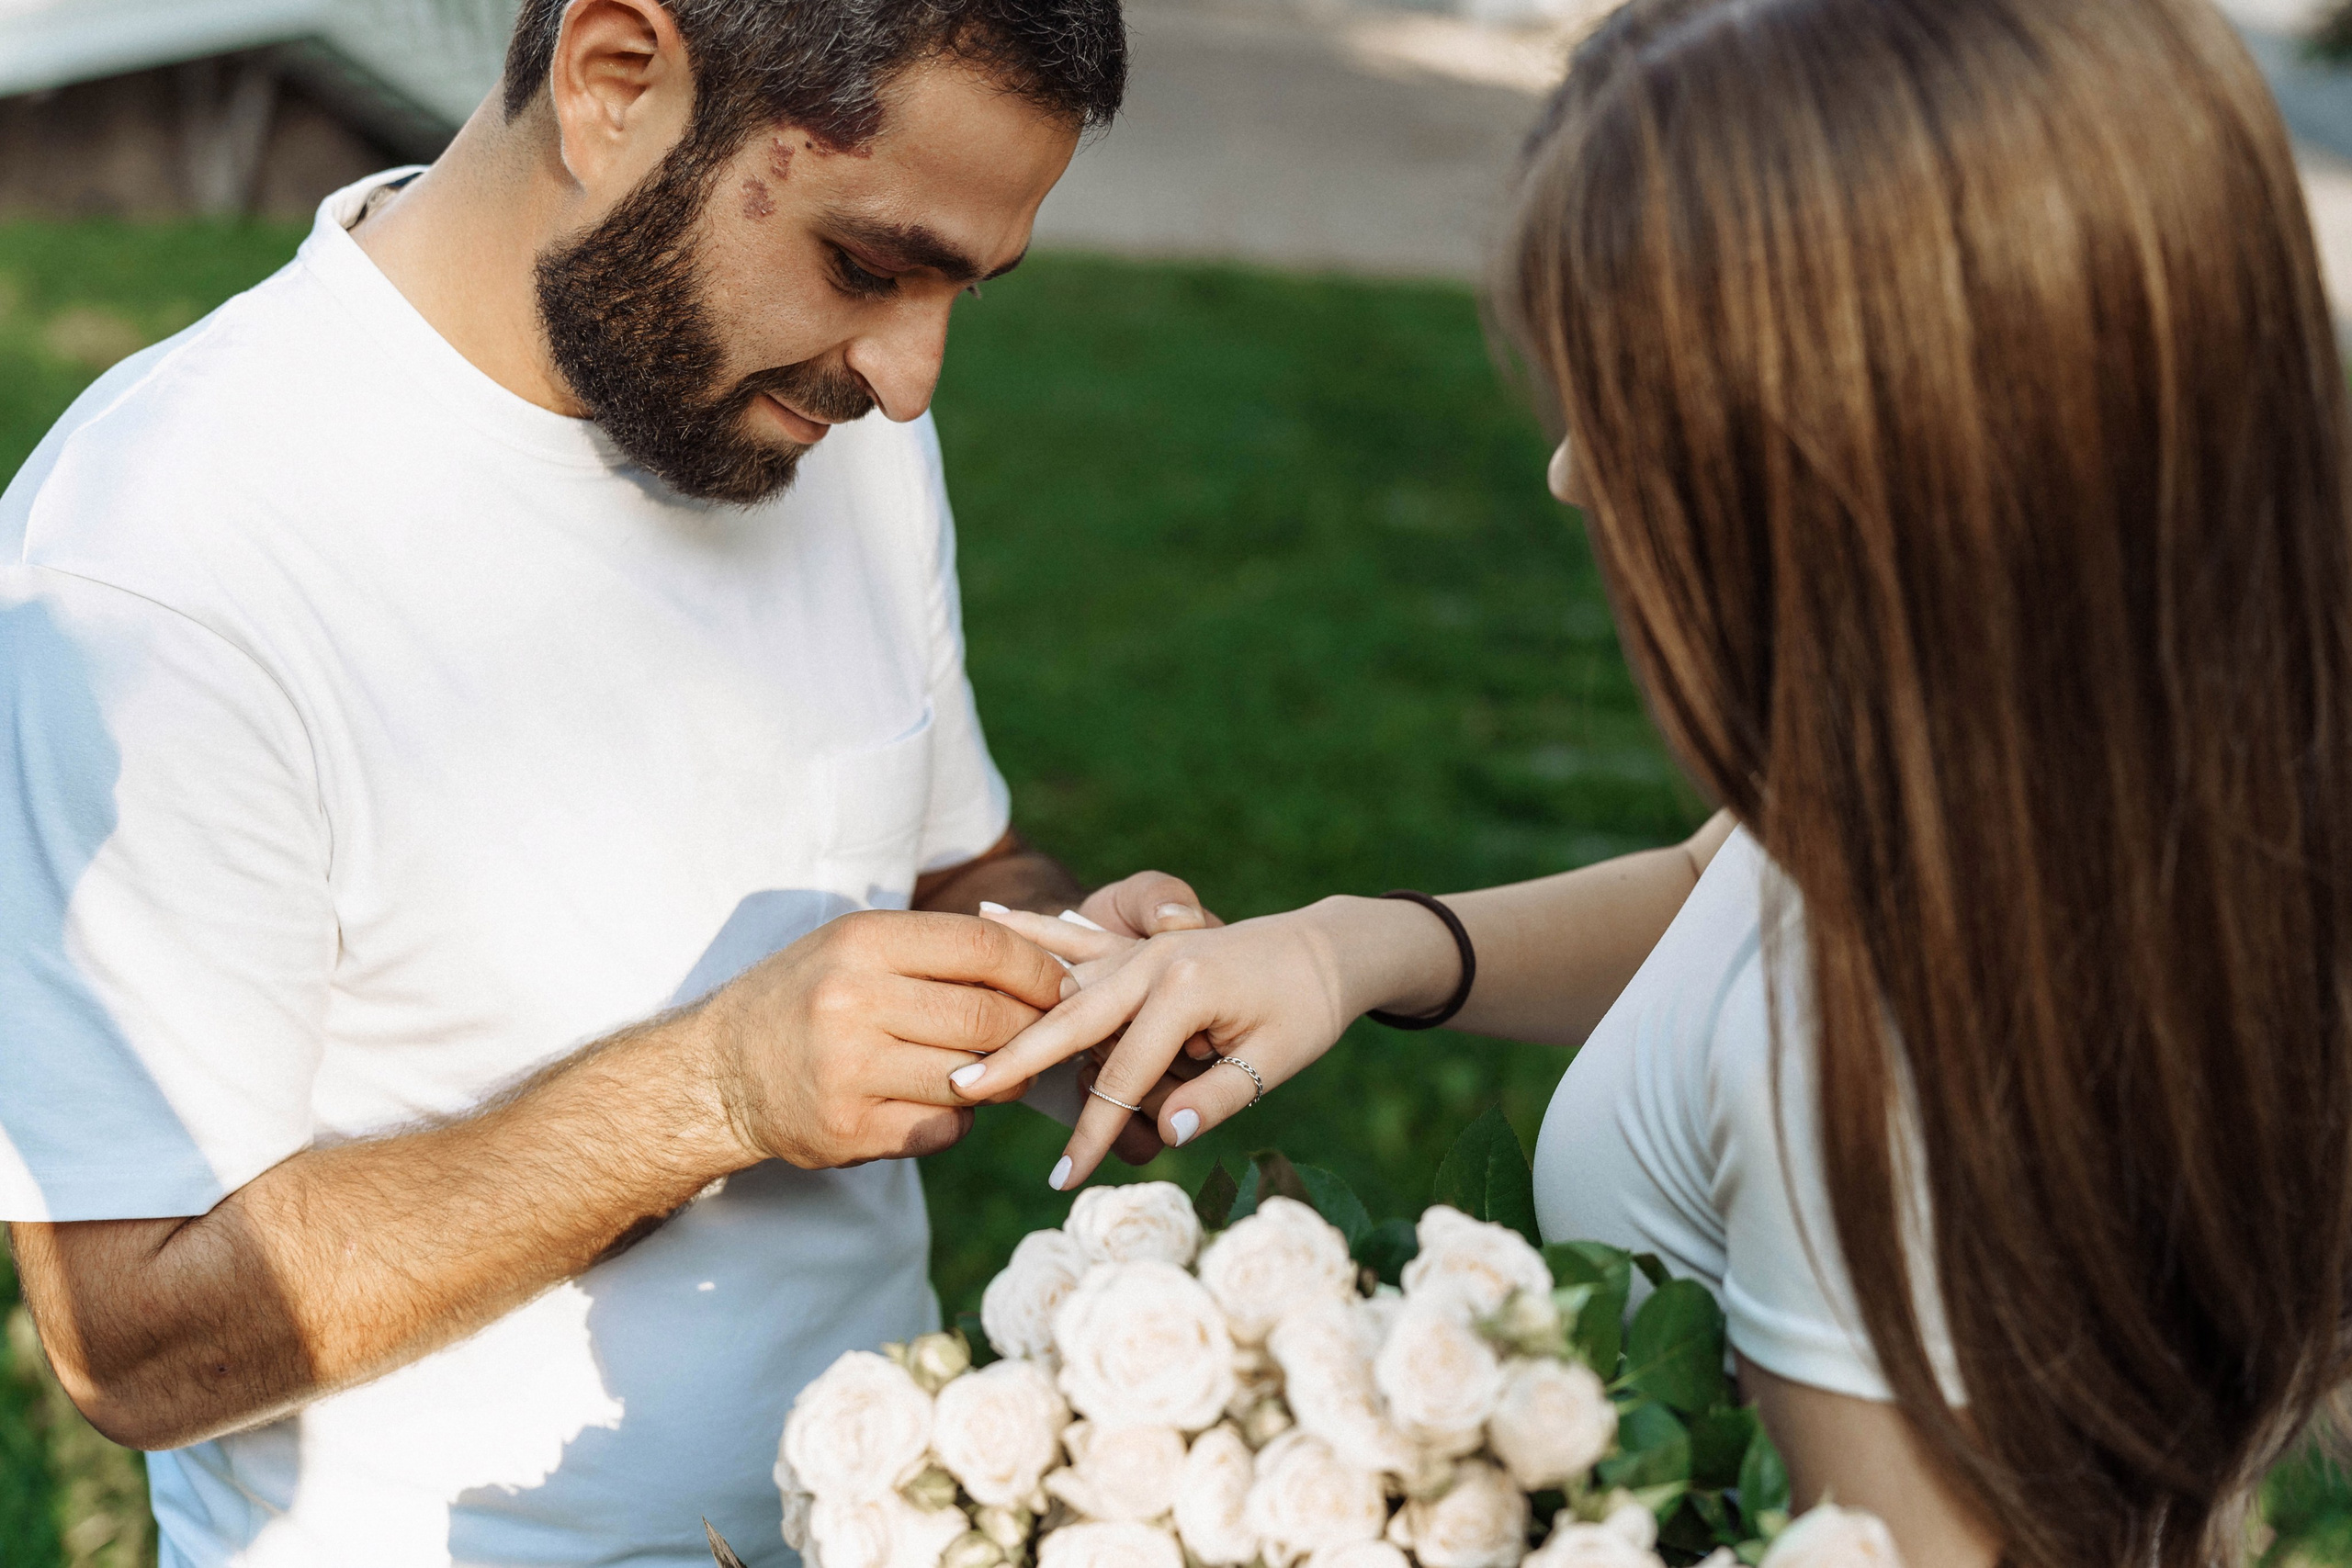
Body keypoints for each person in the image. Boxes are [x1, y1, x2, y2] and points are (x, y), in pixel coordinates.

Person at [957, 0, 2352, 1562]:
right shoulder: (2062, 781)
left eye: (1636, 403)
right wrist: (1349, 945)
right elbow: (1730, 883)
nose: (1570, 471)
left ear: (1870, 449)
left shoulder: (1874, 1066)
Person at [0, 0, 1207, 1562]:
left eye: (963, 288)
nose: (911, 379)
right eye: (869, 265)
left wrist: (1077, 973)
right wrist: (716, 1091)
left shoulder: (824, 425)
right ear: (614, 78)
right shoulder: (159, 560)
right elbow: (133, 1338)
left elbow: (953, 868)